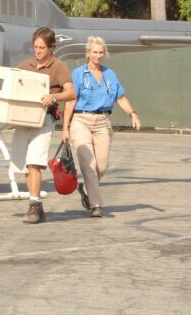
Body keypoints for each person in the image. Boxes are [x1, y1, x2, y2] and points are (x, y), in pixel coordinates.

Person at [61, 36, 142, 218]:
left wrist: (133, 114)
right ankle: (96, 205)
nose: (97, 56)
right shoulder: (78, 74)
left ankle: (87, 189)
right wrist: (65, 128)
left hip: (102, 122)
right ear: (87, 53)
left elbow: (120, 97)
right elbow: (70, 102)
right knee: (89, 165)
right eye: (94, 52)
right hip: (81, 120)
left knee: (102, 166)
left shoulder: (110, 75)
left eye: (100, 52)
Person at [9, 27, 75, 224]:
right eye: (35, 47)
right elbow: (10, 82)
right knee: (25, 167)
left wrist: (53, 96)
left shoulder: (59, 67)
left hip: (44, 120)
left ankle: (33, 206)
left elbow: (71, 93)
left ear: (51, 47)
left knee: (34, 163)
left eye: (42, 47)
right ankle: (37, 205)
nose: (37, 51)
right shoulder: (26, 65)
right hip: (23, 120)